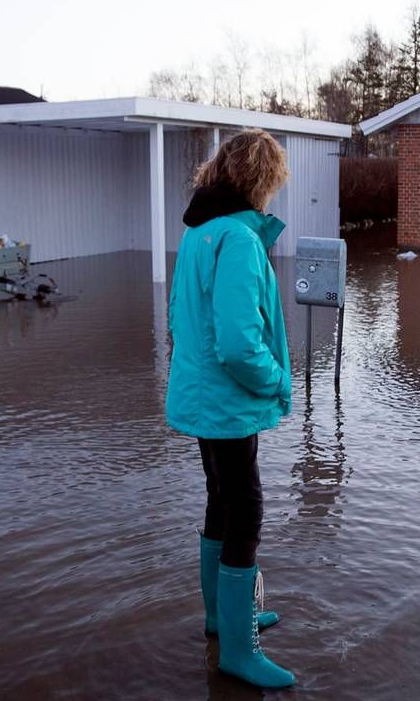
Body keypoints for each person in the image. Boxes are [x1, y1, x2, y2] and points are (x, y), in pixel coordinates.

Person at [165, 128, 295, 689]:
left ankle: (224, 617)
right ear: (263, 182)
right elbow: (241, 343)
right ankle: (239, 651)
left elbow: (178, 319)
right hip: (229, 401)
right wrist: (276, 383)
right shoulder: (240, 240)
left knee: (221, 500)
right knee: (246, 510)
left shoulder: (199, 234)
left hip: (201, 398)